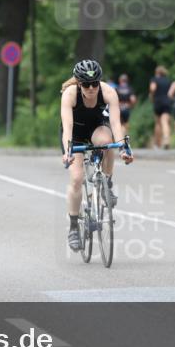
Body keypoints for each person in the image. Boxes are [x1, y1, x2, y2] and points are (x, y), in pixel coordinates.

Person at [60, 59, 134, 251]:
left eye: (94, 83)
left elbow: (117, 125)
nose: (91, 88)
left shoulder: (108, 92)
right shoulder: (70, 94)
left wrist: (123, 149)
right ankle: (74, 227)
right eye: (86, 84)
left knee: (107, 142)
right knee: (77, 178)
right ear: (78, 82)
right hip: (74, 135)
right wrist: (68, 152)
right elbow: (67, 127)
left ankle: (106, 182)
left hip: (97, 128)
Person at [149, 66, 173, 150]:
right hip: (167, 102)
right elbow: (171, 92)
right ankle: (166, 140)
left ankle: (157, 144)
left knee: (158, 123)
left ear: (157, 72)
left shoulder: (155, 79)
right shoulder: (168, 81)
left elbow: (152, 88)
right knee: (165, 122)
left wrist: (152, 96)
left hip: (158, 102)